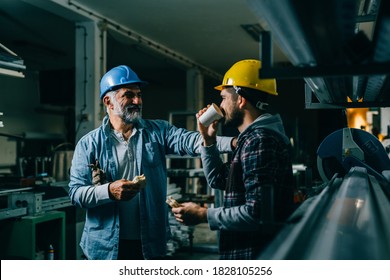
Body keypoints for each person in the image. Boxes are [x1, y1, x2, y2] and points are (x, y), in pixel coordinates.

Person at [68, 65, 235, 260]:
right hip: (103, 248)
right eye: (129, 95)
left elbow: (190, 140)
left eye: (139, 95)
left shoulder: (158, 131)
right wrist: (108, 191)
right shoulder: (89, 144)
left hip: (149, 245)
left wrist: (233, 143)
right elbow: (76, 193)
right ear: (108, 101)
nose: (137, 101)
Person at [171, 59, 295, 259]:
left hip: (254, 255)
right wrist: (208, 141)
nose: (220, 105)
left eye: (223, 97)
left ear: (241, 100)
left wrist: (204, 214)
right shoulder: (251, 140)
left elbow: (256, 213)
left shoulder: (259, 141)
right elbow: (218, 179)